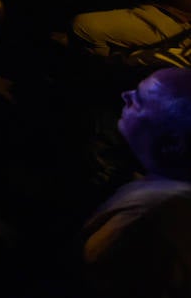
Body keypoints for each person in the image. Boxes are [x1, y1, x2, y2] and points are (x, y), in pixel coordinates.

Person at [82, 67, 191, 296]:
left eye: (139, 101)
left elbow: (86, 272)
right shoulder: (171, 184)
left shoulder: (144, 216)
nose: (126, 95)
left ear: (172, 143)